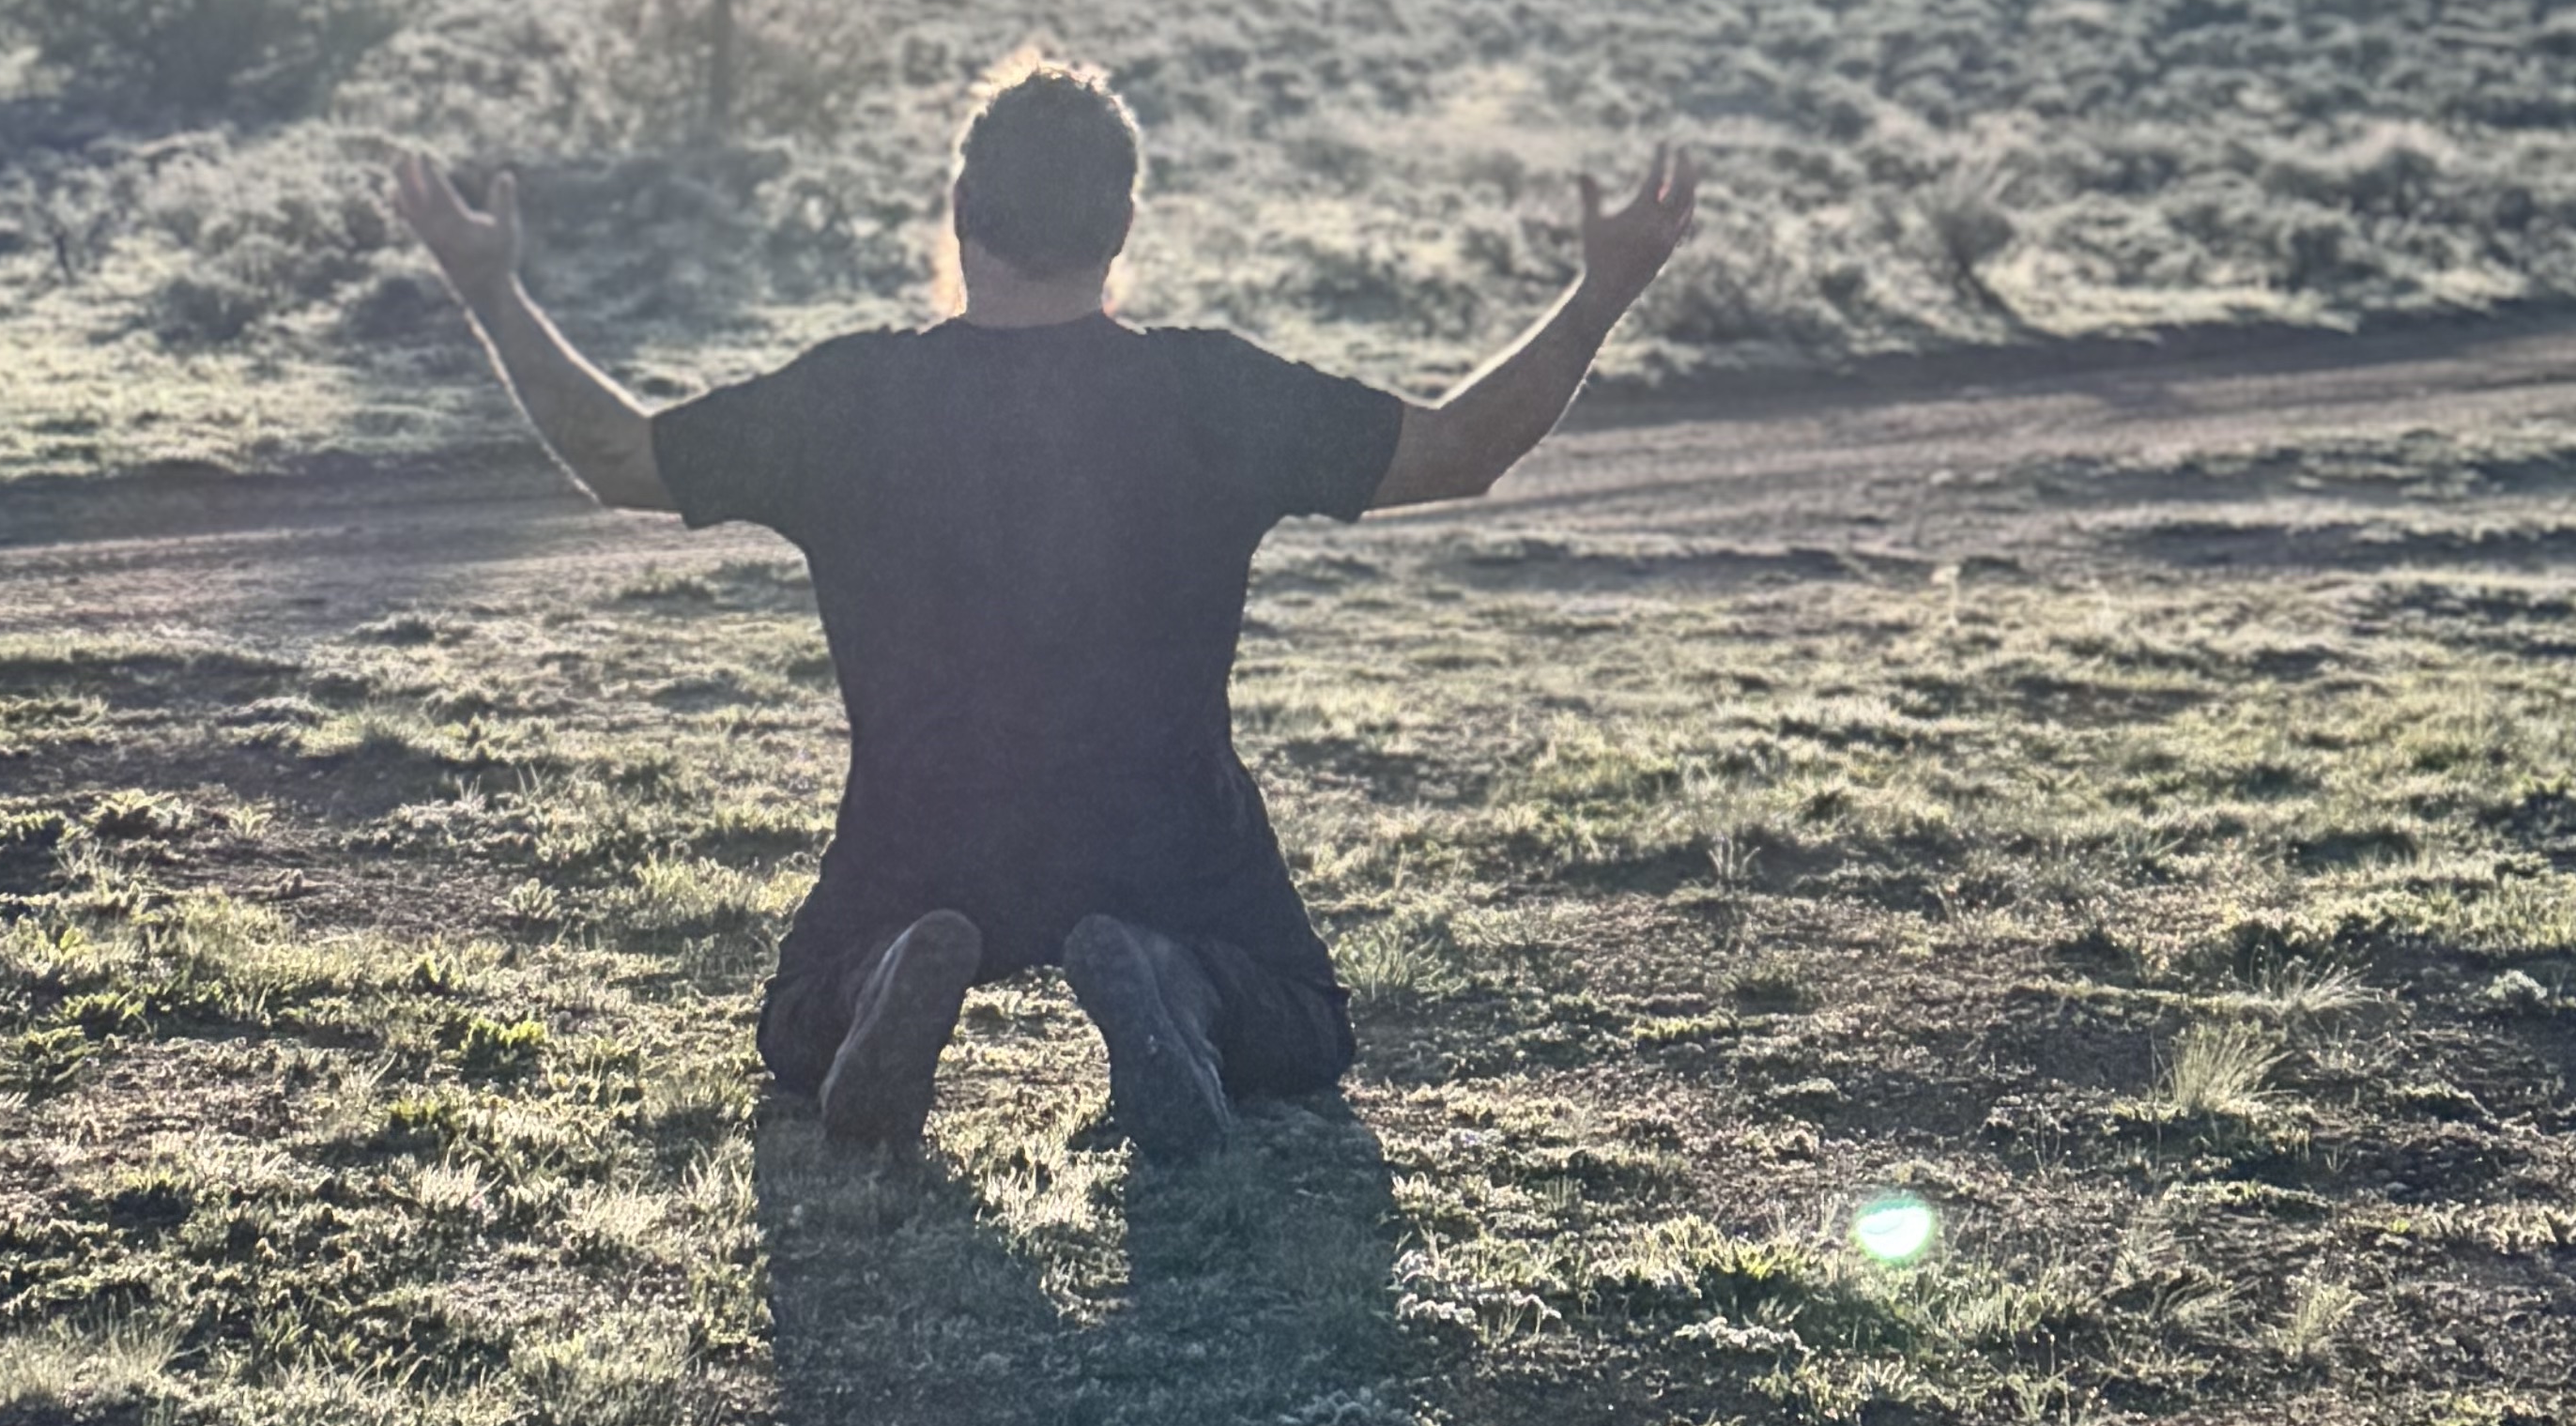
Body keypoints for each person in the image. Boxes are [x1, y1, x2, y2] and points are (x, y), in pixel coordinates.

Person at [388, 57, 1698, 1158]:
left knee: (795, 1017)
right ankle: (1173, 983)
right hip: (1167, 851)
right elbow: (1460, 448)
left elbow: (621, 460)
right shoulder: (1209, 396)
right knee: (1301, 1018)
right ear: (1122, 231)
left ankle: (883, 983)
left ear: (963, 211)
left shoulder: (853, 401)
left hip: (924, 844)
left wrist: (490, 291)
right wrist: (1605, 289)